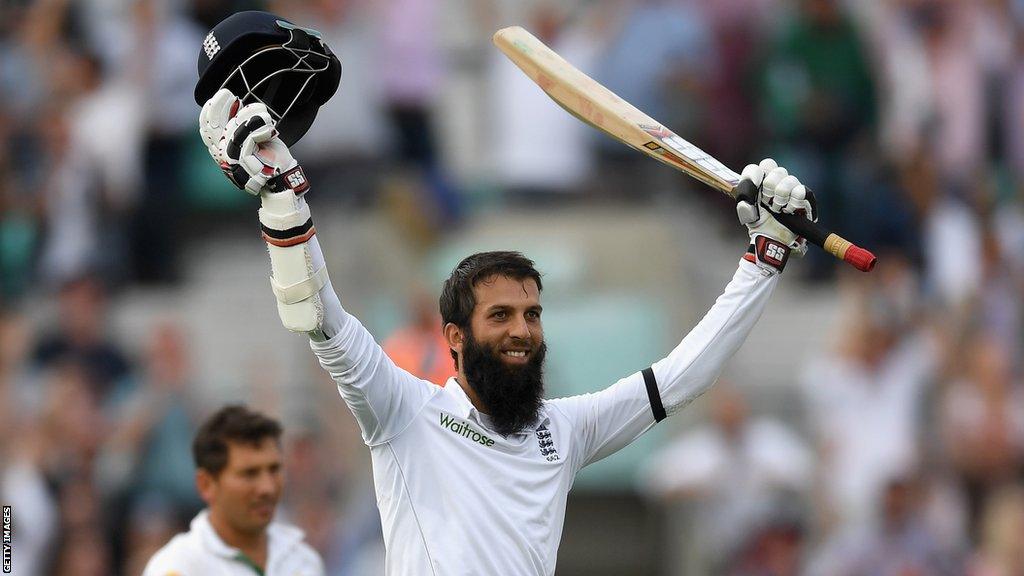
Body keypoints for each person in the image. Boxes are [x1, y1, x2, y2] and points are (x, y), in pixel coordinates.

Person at [194, 11, 818, 574]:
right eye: (501, 316)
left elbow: (683, 378)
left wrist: (764, 259)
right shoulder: (404, 414)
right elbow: (321, 324)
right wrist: (284, 206)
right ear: (456, 339)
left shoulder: (564, 431)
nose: (522, 330)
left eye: (531, 314)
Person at [141, 405, 324, 576]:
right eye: (249, 473)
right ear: (206, 484)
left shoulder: (304, 561)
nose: (267, 487)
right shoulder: (177, 567)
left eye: (274, 469)